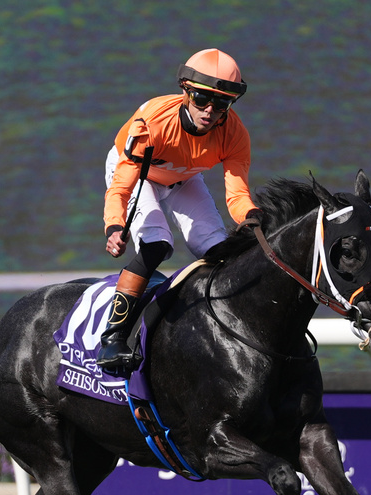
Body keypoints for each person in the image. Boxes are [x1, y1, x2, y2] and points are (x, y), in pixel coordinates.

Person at [97, 48, 262, 371]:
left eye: (221, 103)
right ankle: (113, 338)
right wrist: (115, 226)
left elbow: (237, 195)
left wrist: (254, 219)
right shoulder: (153, 122)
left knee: (220, 251)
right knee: (158, 242)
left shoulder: (235, 134)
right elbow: (122, 185)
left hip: (184, 177)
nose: (210, 111)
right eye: (201, 98)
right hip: (137, 174)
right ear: (185, 91)